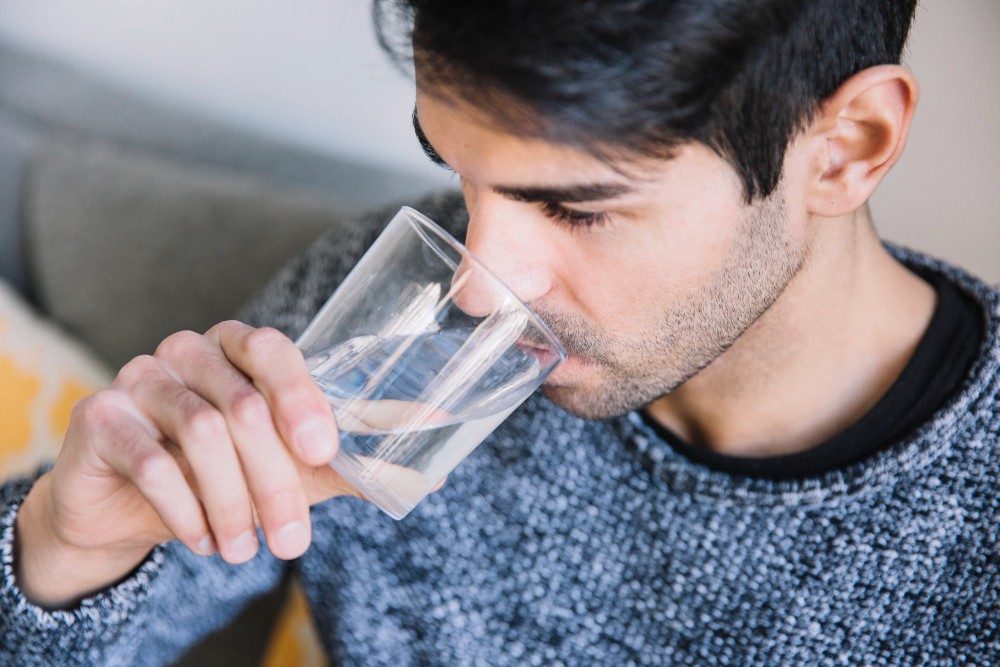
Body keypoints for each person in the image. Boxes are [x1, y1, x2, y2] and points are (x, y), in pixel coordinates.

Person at [2, 0, 997, 664]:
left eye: (574, 207)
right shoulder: (385, 327)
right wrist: (64, 545)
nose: (479, 288)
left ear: (845, 148)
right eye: (462, 174)